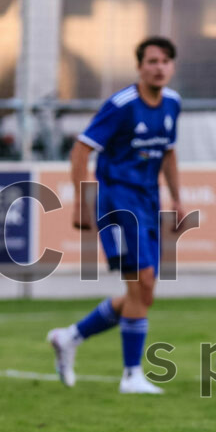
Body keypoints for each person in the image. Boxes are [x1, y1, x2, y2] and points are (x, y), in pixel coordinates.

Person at [47, 37, 183, 395]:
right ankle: (131, 375)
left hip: (148, 204)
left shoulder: (173, 103)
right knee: (143, 283)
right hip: (118, 204)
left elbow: (168, 153)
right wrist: (81, 201)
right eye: (152, 60)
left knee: (143, 291)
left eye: (166, 61)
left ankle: (70, 336)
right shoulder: (121, 105)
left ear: (172, 66)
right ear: (139, 66)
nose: (159, 67)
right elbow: (81, 149)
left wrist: (178, 199)